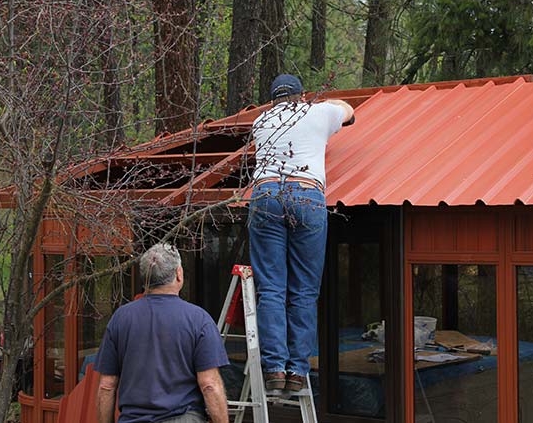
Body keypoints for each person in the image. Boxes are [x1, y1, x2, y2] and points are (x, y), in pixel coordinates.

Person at [249, 74, 355, 392]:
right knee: (304, 291)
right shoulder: (318, 113)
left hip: (265, 195)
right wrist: (324, 104)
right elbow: (348, 110)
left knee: (270, 290)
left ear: (273, 101)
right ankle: (297, 371)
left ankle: (275, 368)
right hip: (306, 195)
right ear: (302, 96)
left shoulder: (261, 121)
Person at [95, 243, 229, 423]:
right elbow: (210, 385)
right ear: (179, 274)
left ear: (145, 279)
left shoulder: (121, 318)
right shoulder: (199, 319)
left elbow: (106, 386)